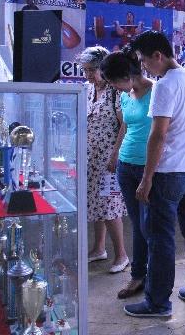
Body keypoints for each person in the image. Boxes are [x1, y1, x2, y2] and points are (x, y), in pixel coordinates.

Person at [124, 31, 185, 318]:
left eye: (145, 61)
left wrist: (147, 178)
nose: (144, 68)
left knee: (160, 238)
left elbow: (158, 135)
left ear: (158, 56)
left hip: (169, 173)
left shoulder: (164, 86)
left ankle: (158, 303)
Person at [99, 49, 154, 299]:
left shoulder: (157, 92)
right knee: (137, 223)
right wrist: (114, 155)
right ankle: (138, 275)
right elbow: (125, 126)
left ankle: (154, 277)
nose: (113, 87)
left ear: (126, 75)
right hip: (126, 165)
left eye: (113, 81)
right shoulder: (124, 95)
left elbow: (166, 133)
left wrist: (151, 173)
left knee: (149, 224)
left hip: (148, 167)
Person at [76, 46, 130, 274]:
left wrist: (116, 154)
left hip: (109, 156)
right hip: (90, 156)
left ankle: (122, 254)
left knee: (110, 205)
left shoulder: (115, 91)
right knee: (95, 204)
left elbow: (124, 124)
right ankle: (99, 249)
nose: (88, 75)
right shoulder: (87, 90)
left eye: (92, 70)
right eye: (85, 70)